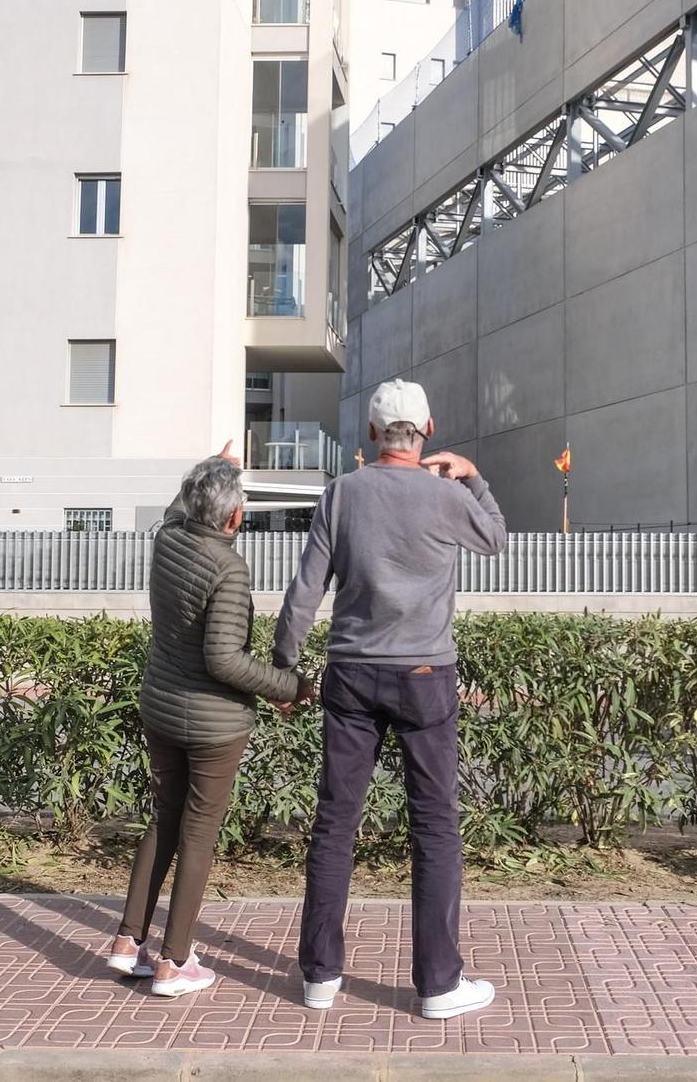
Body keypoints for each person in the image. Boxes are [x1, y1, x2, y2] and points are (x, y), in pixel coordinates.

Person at [272, 379, 507, 1020]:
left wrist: (285, 669)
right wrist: (474, 476)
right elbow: (496, 537)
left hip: (350, 673)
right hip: (426, 673)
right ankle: (437, 984)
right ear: (427, 430)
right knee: (434, 827)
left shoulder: (342, 493)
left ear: (372, 433)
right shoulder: (445, 495)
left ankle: (320, 976)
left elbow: (304, 591)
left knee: (335, 823)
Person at [105, 444, 311, 997]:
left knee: (164, 820)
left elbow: (179, 504)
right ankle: (174, 963)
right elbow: (225, 659)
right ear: (235, 517)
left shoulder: (168, 538)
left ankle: (129, 942)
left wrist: (212, 465)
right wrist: (290, 687)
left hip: (161, 707)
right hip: (213, 726)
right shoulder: (228, 568)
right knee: (197, 835)